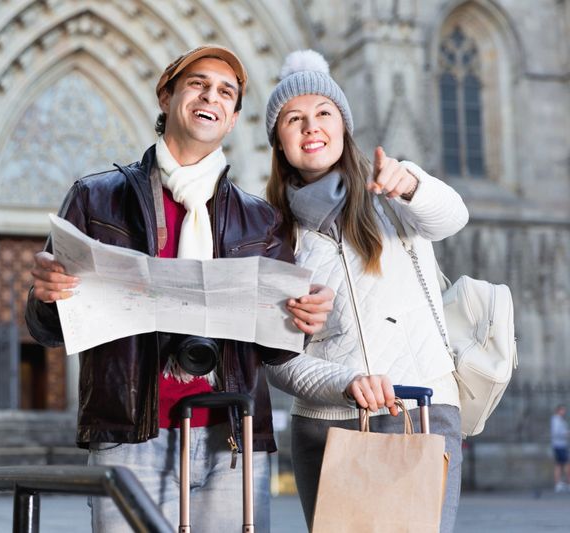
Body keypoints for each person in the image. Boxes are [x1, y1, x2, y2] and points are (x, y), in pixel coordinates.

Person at [25, 45, 334, 532]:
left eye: (226, 92)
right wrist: (46, 296)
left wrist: (304, 321)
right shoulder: (95, 198)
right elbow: (48, 330)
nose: (211, 96)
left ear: (233, 119)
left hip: (232, 438)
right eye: (198, 84)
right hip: (130, 435)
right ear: (166, 97)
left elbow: (276, 352)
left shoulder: (261, 219)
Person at [261, 50, 469, 532]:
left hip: (419, 409)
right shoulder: (270, 234)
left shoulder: (390, 192)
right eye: (294, 119)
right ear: (279, 142)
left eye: (324, 113)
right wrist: (346, 380)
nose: (311, 127)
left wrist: (412, 184)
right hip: (327, 422)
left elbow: (452, 218)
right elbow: (276, 358)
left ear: (343, 125)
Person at [551, 404, 569, 492]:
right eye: (562, 410)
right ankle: (565, 483)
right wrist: (566, 433)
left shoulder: (560, 420)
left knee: (559, 465)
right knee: (566, 464)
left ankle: (558, 484)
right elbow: (556, 432)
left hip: (561, 445)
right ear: (558, 411)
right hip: (559, 445)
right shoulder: (556, 420)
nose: (564, 412)